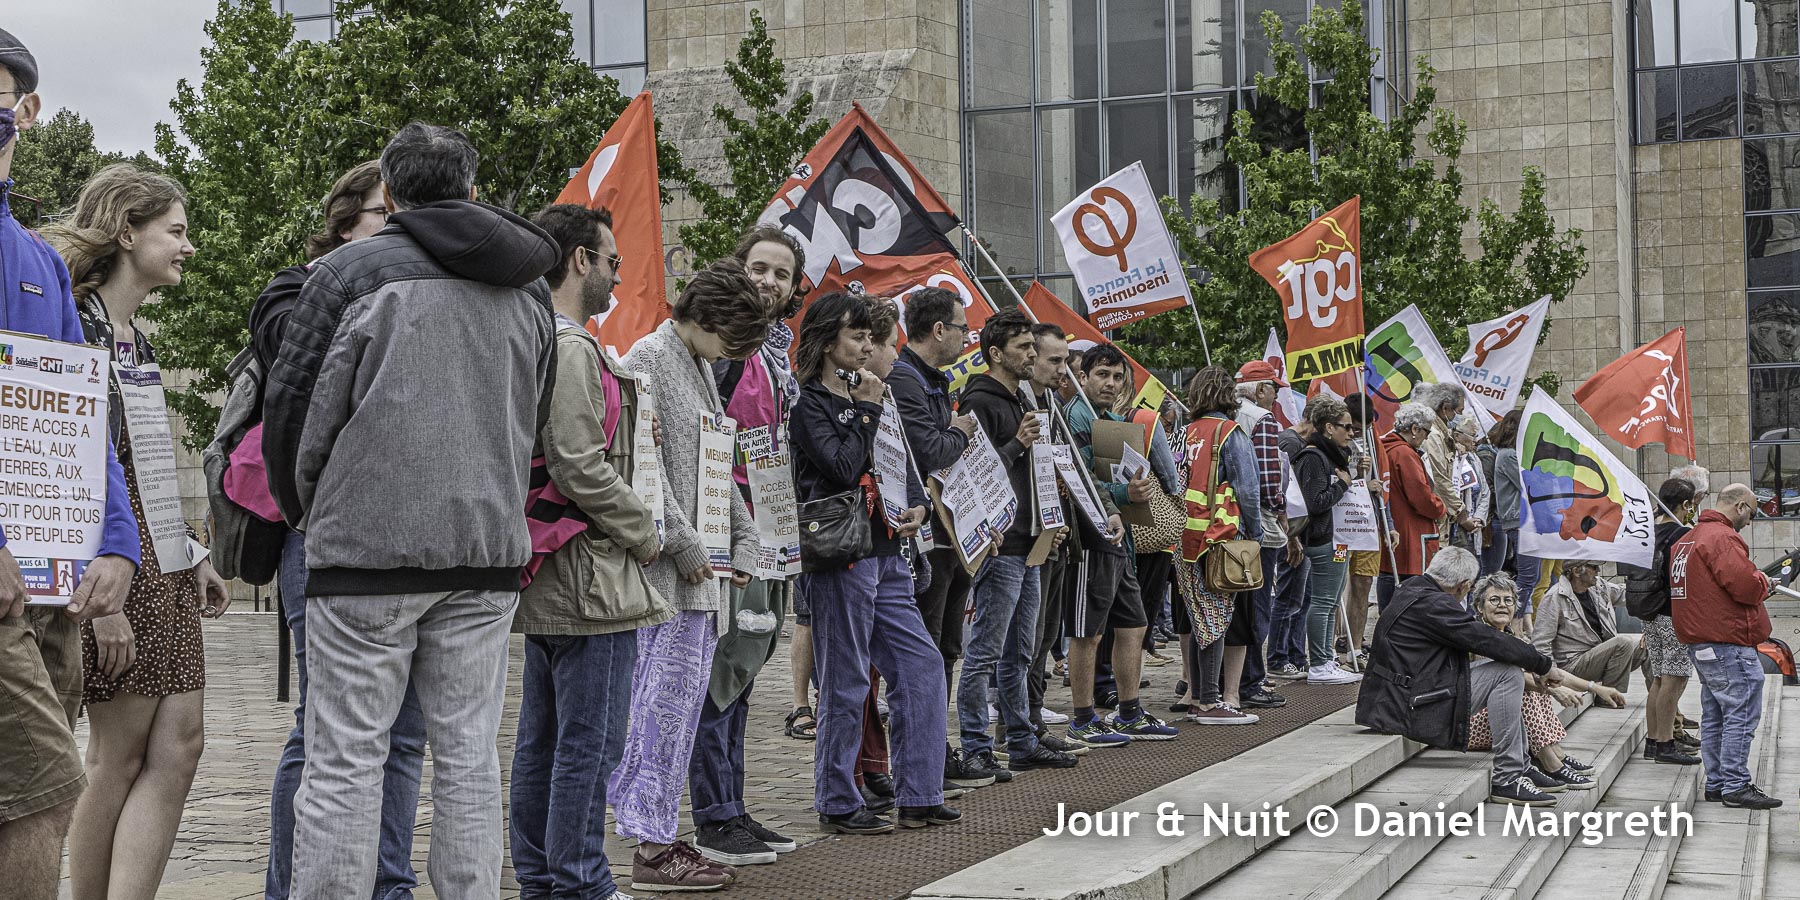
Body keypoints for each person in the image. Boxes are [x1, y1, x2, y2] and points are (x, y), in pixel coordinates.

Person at [263, 123, 559, 899]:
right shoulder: (527, 284)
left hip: (365, 551)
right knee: (468, 758)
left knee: (344, 761)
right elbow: (534, 411)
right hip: (484, 550)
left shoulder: (350, 273)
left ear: (389, 195)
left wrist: (308, 508)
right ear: (471, 188)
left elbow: (296, 410)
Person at [40, 164, 225, 900]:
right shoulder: (74, 327)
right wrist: (102, 601)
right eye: (175, 231)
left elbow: (144, 463)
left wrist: (192, 551)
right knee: (115, 757)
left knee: (180, 746)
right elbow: (71, 467)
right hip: (110, 564)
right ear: (126, 231)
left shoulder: (135, 342)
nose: (188, 246)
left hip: (163, 562)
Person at [251, 159, 429, 900]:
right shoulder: (294, 289)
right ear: (346, 219)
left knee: (406, 730)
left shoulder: (422, 288)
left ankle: (387, 884)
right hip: (320, 531)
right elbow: (305, 378)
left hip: (411, 530)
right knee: (324, 727)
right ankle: (293, 887)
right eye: (387, 216)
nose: (401, 232)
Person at [0, 33, 139, 899]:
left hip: (49, 579)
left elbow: (79, 417)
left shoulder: (40, 261)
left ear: (26, 111)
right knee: (47, 792)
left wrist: (117, 542)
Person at [506, 203, 671, 899]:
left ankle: (545, 880)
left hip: (556, 566)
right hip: (588, 573)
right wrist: (646, 533)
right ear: (580, 260)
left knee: (543, 742)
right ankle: (581, 882)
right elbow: (578, 463)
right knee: (591, 742)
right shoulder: (571, 346)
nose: (617, 276)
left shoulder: (537, 337)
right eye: (611, 260)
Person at [612, 258, 765, 889]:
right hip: (669, 575)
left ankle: (658, 833)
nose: (732, 353)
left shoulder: (696, 364)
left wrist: (744, 537)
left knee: (676, 710)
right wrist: (682, 539)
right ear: (706, 318)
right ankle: (651, 844)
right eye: (731, 337)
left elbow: (713, 456)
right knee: (660, 711)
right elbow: (643, 466)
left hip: (700, 573)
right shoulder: (647, 361)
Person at [789, 292, 958, 834]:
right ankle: (838, 800)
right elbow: (840, 466)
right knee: (845, 681)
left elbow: (898, 466)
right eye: (857, 336)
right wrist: (866, 409)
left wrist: (919, 508)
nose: (867, 347)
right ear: (826, 341)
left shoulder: (872, 395)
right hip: (841, 554)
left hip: (887, 550)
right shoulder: (810, 403)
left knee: (922, 666)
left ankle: (921, 792)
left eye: (870, 337)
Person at [691, 227, 807, 867]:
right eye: (759, 268)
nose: (768, 281)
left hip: (769, 526)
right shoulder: (724, 352)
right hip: (724, 530)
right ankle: (713, 816)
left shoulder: (772, 355)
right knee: (720, 671)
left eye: (781, 274)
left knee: (747, 665)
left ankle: (732, 807)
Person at [957, 311, 1084, 772]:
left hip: (1030, 542)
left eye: (1034, 346)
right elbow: (972, 473)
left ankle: (1021, 739)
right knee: (985, 653)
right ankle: (975, 746)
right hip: (1000, 545)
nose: (1032, 354)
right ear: (996, 353)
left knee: (1021, 652)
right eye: (1023, 347)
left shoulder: (1020, 399)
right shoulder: (980, 401)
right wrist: (1017, 443)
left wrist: (1051, 520)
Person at [883, 287, 998, 788]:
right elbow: (930, 451)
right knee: (926, 648)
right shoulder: (906, 379)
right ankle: (919, 755)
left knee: (947, 646)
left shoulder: (933, 379)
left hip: (954, 533)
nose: (966, 337)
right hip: (926, 536)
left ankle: (935, 747)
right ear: (937, 330)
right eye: (961, 328)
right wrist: (962, 432)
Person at [1356, 547, 1573, 807]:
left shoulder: (1414, 589)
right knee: (1507, 674)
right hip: (1404, 707)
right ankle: (1507, 777)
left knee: (1508, 671)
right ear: (1464, 585)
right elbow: (1484, 639)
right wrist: (1543, 665)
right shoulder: (1433, 604)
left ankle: (1522, 767)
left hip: (1396, 698)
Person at [1062, 342, 1176, 746]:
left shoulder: (1109, 419)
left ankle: (1129, 712)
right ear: (1083, 376)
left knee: (1134, 625)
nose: (1110, 383)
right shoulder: (1076, 414)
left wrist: (1134, 494)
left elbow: (1112, 481)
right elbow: (1080, 477)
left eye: (1116, 377)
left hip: (1119, 539)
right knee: (1088, 632)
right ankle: (1082, 718)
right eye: (1102, 375)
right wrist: (1127, 493)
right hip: (1091, 538)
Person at [1669, 484, 1782, 809]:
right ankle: (1735, 784)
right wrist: (1762, 581)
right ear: (1741, 507)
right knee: (1741, 712)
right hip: (1726, 641)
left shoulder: (1686, 540)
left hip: (1701, 641)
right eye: (1753, 513)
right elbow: (1744, 586)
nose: (1750, 521)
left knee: (1717, 714)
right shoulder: (1721, 537)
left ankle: (1718, 782)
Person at [1176, 367, 1267, 724]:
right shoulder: (1230, 432)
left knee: (1198, 619)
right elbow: (1248, 489)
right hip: (1219, 536)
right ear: (1228, 395)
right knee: (1215, 619)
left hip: (1183, 538)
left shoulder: (1183, 433)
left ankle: (1198, 696)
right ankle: (1210, 703)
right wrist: (1255, 535)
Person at [1465, 574, 1616, 788]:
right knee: (1526, 687)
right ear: (1480, 607)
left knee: (1537, 677)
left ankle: (1555, 753)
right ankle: (1550, 762)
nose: (1502, 605)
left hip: (1501, 721)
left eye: (1508, 600)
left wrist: (1595, 688)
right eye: (1494, 600)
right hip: (1473, 725)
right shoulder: (1480, 637)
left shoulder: (1511, 636)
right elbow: (1514, 680)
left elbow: (1551, 672)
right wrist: (1555, 690)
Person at [1022, 323, 1087, 752]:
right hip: (1031, 537)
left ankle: (1033, 719)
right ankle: (1019, 727)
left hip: (1059, 534)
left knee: (1046, 634)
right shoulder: (1020, 403)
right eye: (1055, 360)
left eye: (1065, 361)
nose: (1064, 370)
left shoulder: (1052, 404)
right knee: (1026, 638)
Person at [1627, 477, 1702, 765]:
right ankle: (1666, 744)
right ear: (1686, 504)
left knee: (1659, 679)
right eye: (1692, 504)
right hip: (1672, 614)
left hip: (1650, 614)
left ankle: (1653, 741)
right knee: (1673, 680)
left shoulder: (1648, 532)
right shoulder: (1681, 534)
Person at [1230, 363, 1288, 710]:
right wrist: (1280, 508)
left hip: (1226, 522)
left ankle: (1230, 680)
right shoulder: (1262, 419)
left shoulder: (1226, 415)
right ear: (1261, 389)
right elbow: (1267, 478)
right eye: (1274, 388)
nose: (1277, 395)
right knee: (1258, 604)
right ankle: (1251, 679)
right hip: (1257, 524)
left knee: (1236, 605)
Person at [1291, 395, 1361, 685]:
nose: (1351, 432)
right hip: (1323, 540)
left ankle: (1326, 658)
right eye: (1346, 427)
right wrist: (1343, 485)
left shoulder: (1327, 456)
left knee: (1331, 602)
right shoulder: (1314, 457)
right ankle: (1319, 663)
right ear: (1329, 428)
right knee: (1322, 602)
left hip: (1336, 539)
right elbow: (1315, 502)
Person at [1531, 559, 1644, 693]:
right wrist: (1551, 674)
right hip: (1573, 665)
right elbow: (1540, 643)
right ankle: (1609, 698)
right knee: (1623, 642)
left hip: (1600, 656)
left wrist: (1649, 584)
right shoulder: (1554, 597)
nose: (1598, 571)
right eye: (1594, 567)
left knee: (1647, 646)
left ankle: (1658, 697)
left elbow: (1627, 595)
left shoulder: (1599, 586)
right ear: (1576, 571)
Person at [1377, 402, 1447, 610]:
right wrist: (1440, 507)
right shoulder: (1404, 453)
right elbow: (1420, 497)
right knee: (1408, 599)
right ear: (1415, 429)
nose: (1427, 437)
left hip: (1396, 527)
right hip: (1410, 535)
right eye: (1426, 431)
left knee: (1389, 582)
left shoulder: (1388, 448)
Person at [1265, 414, 1316, 681]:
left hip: (1300, 534)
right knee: (1288, 598)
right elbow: (1285, 493)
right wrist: (1292, 537)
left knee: (1302, 598)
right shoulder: (1290, 443)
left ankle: (1296, 656)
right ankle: (1278, 658)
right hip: (1293, 534)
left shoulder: (1299, 443)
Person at [1339, 394, 1383, 669]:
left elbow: (1380, 481)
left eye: (1362, 427)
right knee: (1335, 586)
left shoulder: (1372, 439)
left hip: (1367, 525)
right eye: (1353, 426)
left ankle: (1355, 647)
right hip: (1342, 527)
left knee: (1363, 584)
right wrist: (1360, 481)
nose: (1356, 432)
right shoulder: (1332, 441)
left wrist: (1388, 523)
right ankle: (1332, 648)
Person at [1417, 383, 1479, 543]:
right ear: (1445, 408)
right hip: (1436, 518)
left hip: (1443, 517)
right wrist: (1461, 513)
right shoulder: (1433, 436)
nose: (1460, 416)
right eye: (1459, 411)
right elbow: (1439, 479)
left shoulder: (1443, 436)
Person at [1479, 411, 1523, 583]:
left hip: (1503, 517)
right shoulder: (1505, 455)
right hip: (1498, 518)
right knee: (1491, 572)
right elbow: (1524, 484)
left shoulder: (1506, 454)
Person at [1446, 414, 1490, 555]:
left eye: (1476, 435)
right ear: (1457, 436)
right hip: (1455, 526)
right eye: (1472, 435)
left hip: (1474, 526)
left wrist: (1478, 518)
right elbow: (1448, 491)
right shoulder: (1449, 456)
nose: (1476, 440)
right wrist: (1464, 520)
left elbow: (1485, 492)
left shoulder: (1474, 458)